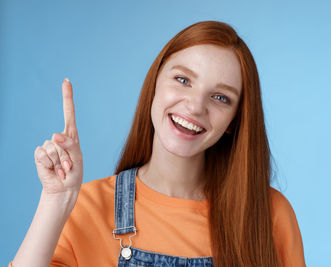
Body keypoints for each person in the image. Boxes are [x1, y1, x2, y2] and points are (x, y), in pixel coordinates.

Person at [10, 21, 306, 267]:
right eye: (182, 80)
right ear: (155, 83)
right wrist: (55, 199)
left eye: (220, 97)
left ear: (234, 123)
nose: (194, 106)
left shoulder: (268, 214)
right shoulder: (86, 207)